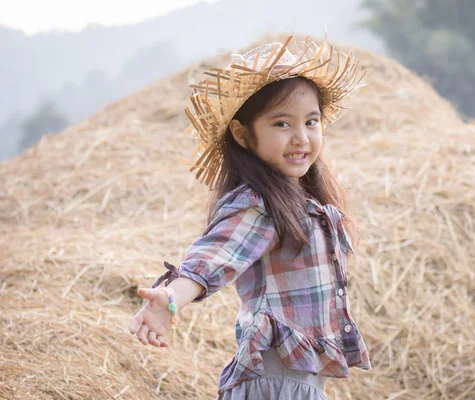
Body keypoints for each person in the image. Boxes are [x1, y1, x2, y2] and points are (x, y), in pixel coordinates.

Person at [129, 35, 371, 400]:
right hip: (273, 385)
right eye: (282, 124)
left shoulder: (307, 201)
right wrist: (170, 298)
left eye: (311, 121)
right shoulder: (259, 204)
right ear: (243, 134)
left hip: (296, 385)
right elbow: (214, 257)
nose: (301, 138)